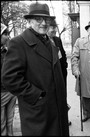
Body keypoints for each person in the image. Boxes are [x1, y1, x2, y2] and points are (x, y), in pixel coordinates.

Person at [1, 2, 69, 136]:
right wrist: (36, 95)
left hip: (57, 108)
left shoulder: (50, 41)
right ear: (29, 21)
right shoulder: (18, 43)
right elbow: (9, 78)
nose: (44, 23)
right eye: (38, 19)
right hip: (38, 112)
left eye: (47, 19)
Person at [47, 19, 71, 126]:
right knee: (53, 98)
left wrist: (65, 65)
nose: (54, 30)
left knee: (63, 96)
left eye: (55, 27)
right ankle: (55, 121)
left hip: (61, 73)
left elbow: (63, 53)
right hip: (51, 76)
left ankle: (64, 118)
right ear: (46, 28)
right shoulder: (43, 41)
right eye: (52, 28)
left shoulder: (57, 39)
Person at [1, 23, 17, 136]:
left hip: (11, 91)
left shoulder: (6, 51)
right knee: (2, 122)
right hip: (1, 92)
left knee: (10, 120)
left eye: (8, 34)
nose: (7, 37)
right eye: (5, 34)